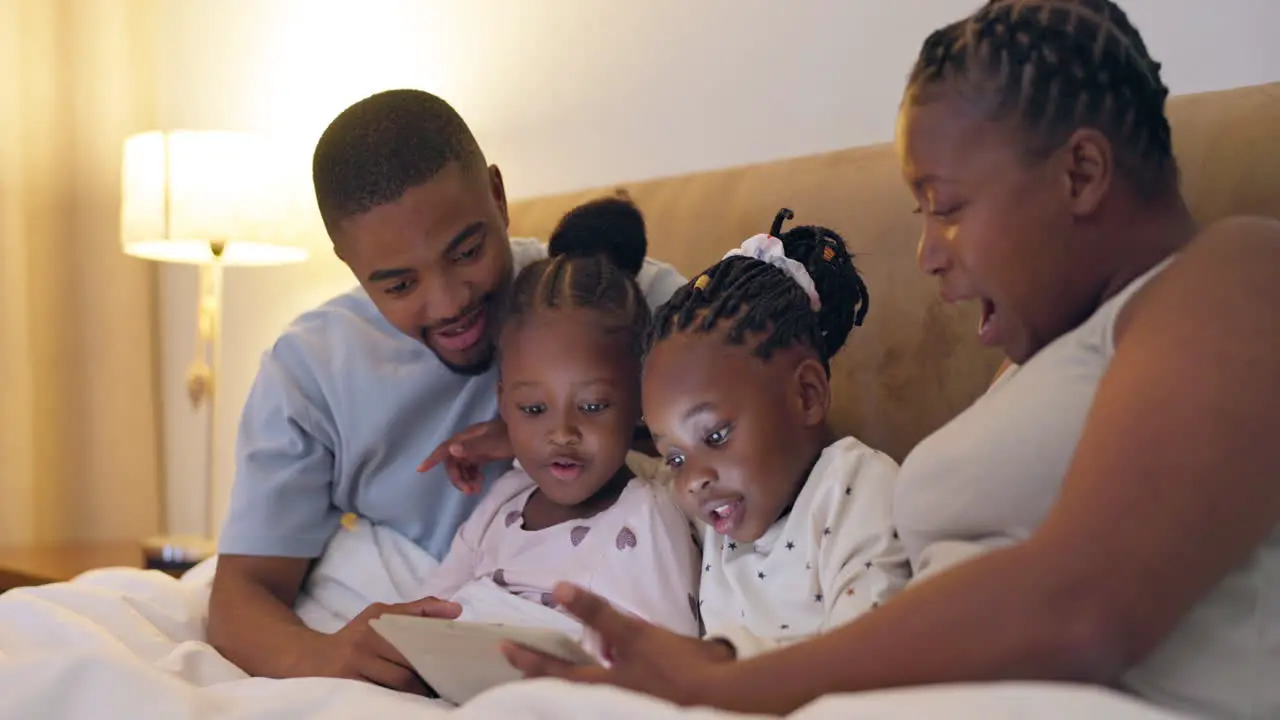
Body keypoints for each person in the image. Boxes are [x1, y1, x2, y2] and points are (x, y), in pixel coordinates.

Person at [502, 1, 1280, 717]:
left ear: (1080, 173)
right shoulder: (1047, 367)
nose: (927, 254)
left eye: (945, 207)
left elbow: (1089, 605)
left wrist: (731, 685)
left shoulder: (1235, 271)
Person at [206, 89, 686, 694]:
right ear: (349, 261)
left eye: (467, 251)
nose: (450, 301)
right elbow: (242, 593)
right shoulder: (309, 370)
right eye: (401, 284)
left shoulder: (613, 295)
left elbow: (745, 437)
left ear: (498, 195)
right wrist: (321, 659)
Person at [416, 218, 701, 653]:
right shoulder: (503, 500)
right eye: (533, 410)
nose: (563, 433)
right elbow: (426, 612)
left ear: (640, 400)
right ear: (504, 404)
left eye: (592, 407)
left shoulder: (647, 517)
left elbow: (671, 665)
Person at [641, 209, 911, 659]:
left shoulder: (854, 487)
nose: (692, 480)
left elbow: (869, 654)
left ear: (806, 395)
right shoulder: (718, 516)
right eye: (675, 458)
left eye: (716, 435)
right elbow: (631, 475)